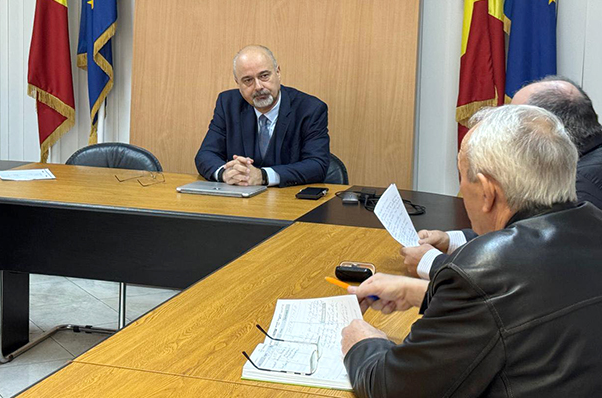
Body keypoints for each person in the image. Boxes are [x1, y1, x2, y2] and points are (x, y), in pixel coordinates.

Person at [340, 105, 602, 397]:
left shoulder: (484, 268)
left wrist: (362, 343)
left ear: (488, 193)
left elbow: (394, 389)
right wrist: (421, 293)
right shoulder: (592, 223)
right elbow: (529, 308)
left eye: (462, 175)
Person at [403, 76, 602, 279]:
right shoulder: (587, 162)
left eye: (513, 123)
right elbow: (528, 232)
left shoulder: (581, 186)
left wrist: (434, 265)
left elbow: (538, 269)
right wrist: (453, 240)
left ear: (544, 130)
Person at [194, 45, 330, 187]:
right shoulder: (228, 104)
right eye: (248, 80)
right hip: (239, 197)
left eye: (264, 76)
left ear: (278, 73)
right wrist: (225, 173)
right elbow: (205, 154)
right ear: (238, 83)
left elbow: (317, 165)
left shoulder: (310, 109)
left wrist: (263, 176)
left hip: (287, 197)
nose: (258, 86)